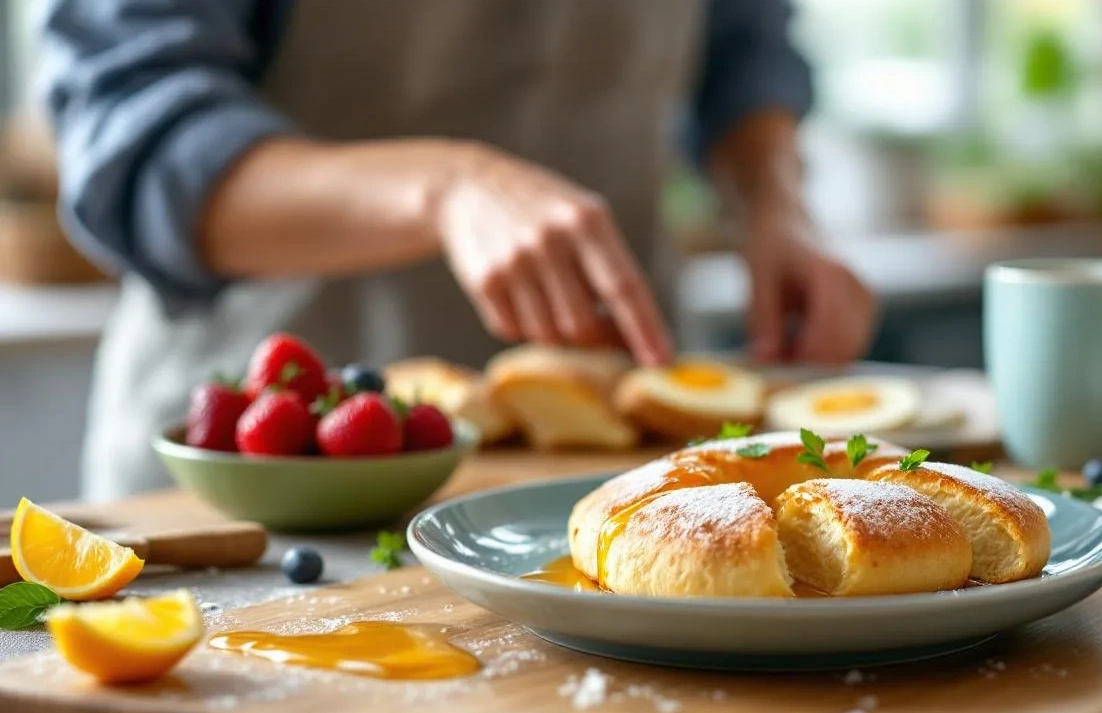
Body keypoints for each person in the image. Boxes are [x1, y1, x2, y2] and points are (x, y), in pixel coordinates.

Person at [39, 0, 877, 501]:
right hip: (277, 489)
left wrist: (776, 205)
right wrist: (446, 187)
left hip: (612, 471)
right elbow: (133, 146)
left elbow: (743, 42)